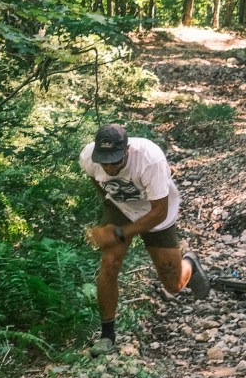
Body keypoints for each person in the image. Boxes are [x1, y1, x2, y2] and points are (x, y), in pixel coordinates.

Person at [80, 123, 209, 356]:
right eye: (104, 162)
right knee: (109, 263)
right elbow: (96, 181)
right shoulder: (89, 157)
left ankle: (189, 263)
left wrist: (120, 234)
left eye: (115, 161)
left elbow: (159, 211)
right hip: (121, 206)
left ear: (126, 150)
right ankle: (107, 335)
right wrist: (109, 206)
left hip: (156, 211)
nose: (109, 167)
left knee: (173, 285)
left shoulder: (150, 160)